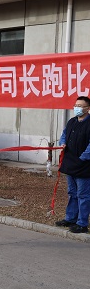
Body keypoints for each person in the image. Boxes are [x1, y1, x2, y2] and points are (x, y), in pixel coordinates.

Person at [55, 96, 90, 234]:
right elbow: (64, 134)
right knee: (72, 193)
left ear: (87, 109)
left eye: (80, 106)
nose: (77, 108)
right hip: (70, 163)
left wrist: (83, 158)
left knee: (83, 195)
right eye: (76, 105)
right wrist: (62, 143)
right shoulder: (72, 121)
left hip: (83, 165)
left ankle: (82, 223)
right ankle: (70, 218)